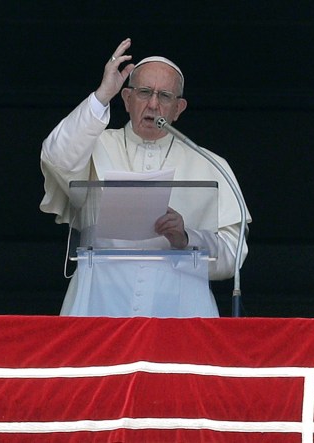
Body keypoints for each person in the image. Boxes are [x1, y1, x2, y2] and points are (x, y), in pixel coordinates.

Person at [40, 38, 252, 317]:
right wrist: (102, 95)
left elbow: (231, 256)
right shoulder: (94, 144)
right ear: (127, 99)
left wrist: (186, 237)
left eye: (165, 96)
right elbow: (56, 156)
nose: (153, 104)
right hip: (98, 302)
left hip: (180, 309)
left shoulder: (210, 163)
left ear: (179, 109)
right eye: (143, 92)